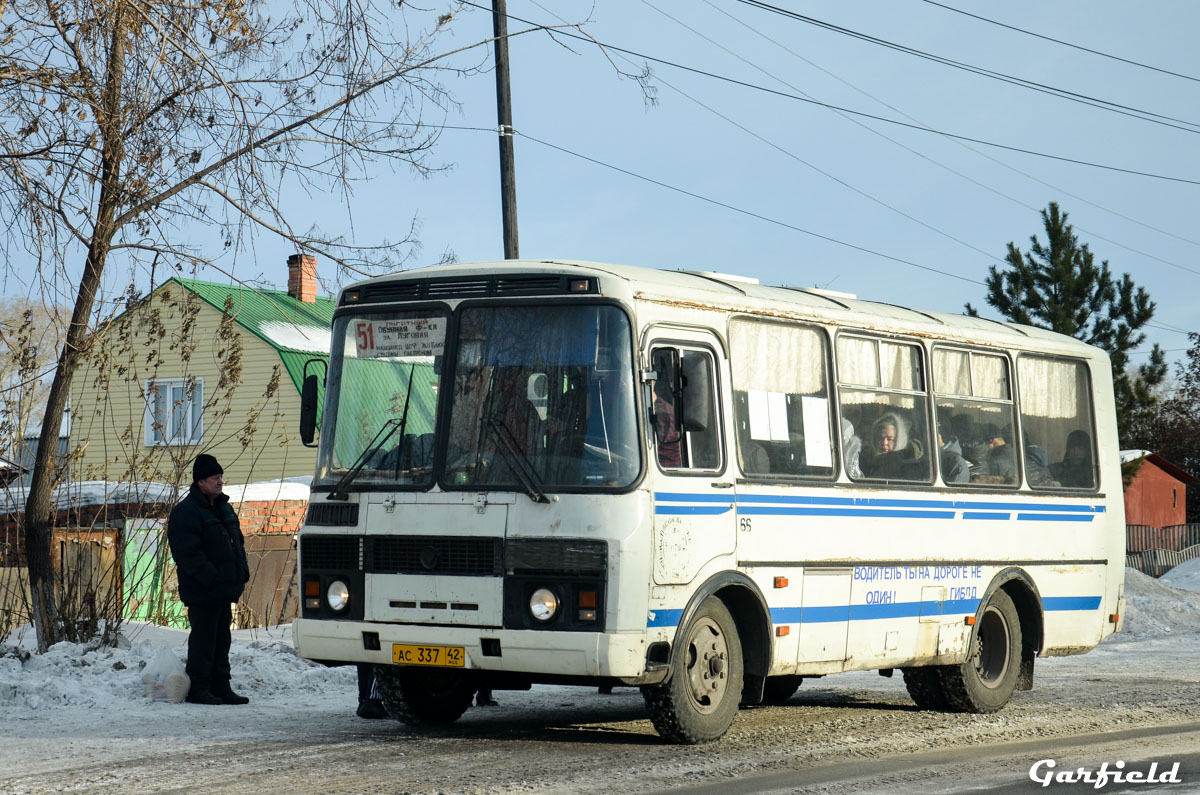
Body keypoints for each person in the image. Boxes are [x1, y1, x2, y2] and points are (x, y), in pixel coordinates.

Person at [167, 454, 251, 706]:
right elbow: (187, 553)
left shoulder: (224, 507)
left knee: (222, 640)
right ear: (200, 482)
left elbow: (237, 543)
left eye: (220, 477)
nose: (220, 481)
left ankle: (221, 686)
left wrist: (241, 572)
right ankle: (199, 688)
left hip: (224, 590)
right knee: (204, 640)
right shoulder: (186, 512)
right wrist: (211, 577)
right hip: (203, 591)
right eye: (214, 477)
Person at [861, 412, 924, 479]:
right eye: (880, 438)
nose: (884, 443)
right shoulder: (865, 461)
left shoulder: (909, 464)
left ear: (899, 440)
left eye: (890, 439)